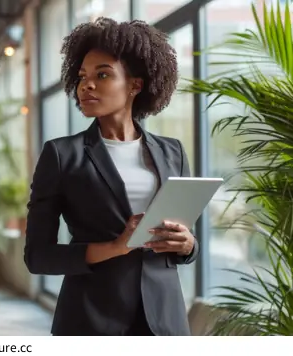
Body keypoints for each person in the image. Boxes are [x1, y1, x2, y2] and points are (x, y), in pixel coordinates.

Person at [23, 18, 198, 336]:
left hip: (164, 320)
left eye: (102, 74)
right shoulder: (62, 155)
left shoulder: (173, 152)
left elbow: (183, 239)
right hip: (91, 319)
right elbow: (38, 257)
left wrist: (188, 245)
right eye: (82, 77)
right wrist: (115, 246)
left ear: (135, 85)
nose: (86, 85)